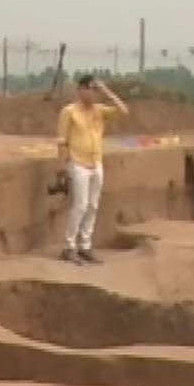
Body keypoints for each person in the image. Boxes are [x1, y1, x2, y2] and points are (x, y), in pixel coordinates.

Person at [56, 73, 127, 264]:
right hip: (78, 163)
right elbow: (62, 142)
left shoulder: (99, 110)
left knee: (93, 206)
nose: (94, 94)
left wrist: (107, 91)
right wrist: (61, 169)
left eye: (96, 90)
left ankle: (85, 245)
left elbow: (123, 111)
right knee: (80, 205)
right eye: (91, 89)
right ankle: (69, 246)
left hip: (96, 163)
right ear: (81, 90)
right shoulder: (69, 112)